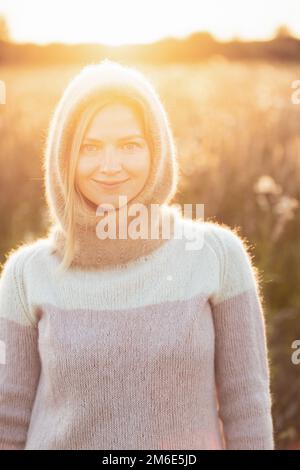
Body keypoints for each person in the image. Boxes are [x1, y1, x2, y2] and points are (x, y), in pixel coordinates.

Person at [0, 59, 274, 450]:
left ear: (157, 151)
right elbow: (7, 420)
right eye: (89, 148)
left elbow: (247, 406)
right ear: (64, 159)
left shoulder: (217, 256)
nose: (110, 167)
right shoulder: (26, 274)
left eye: (130, 145)